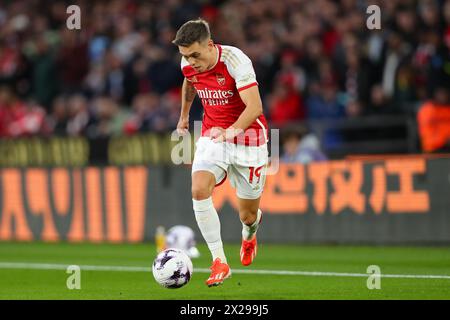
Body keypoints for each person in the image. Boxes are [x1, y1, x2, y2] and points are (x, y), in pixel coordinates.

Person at [172, 19, 268, 287]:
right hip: (213, 135)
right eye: (185, 56)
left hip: (249, 138)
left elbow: (255, 107)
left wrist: (231, 132)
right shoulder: (188, 64)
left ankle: (249, 235)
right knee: (199, 189)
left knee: (247, 215)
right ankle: (219, 262)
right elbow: (190, 83)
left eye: (195, 55)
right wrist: (184, 116)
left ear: (210, 45)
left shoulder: (236, 61)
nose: (190, 62)